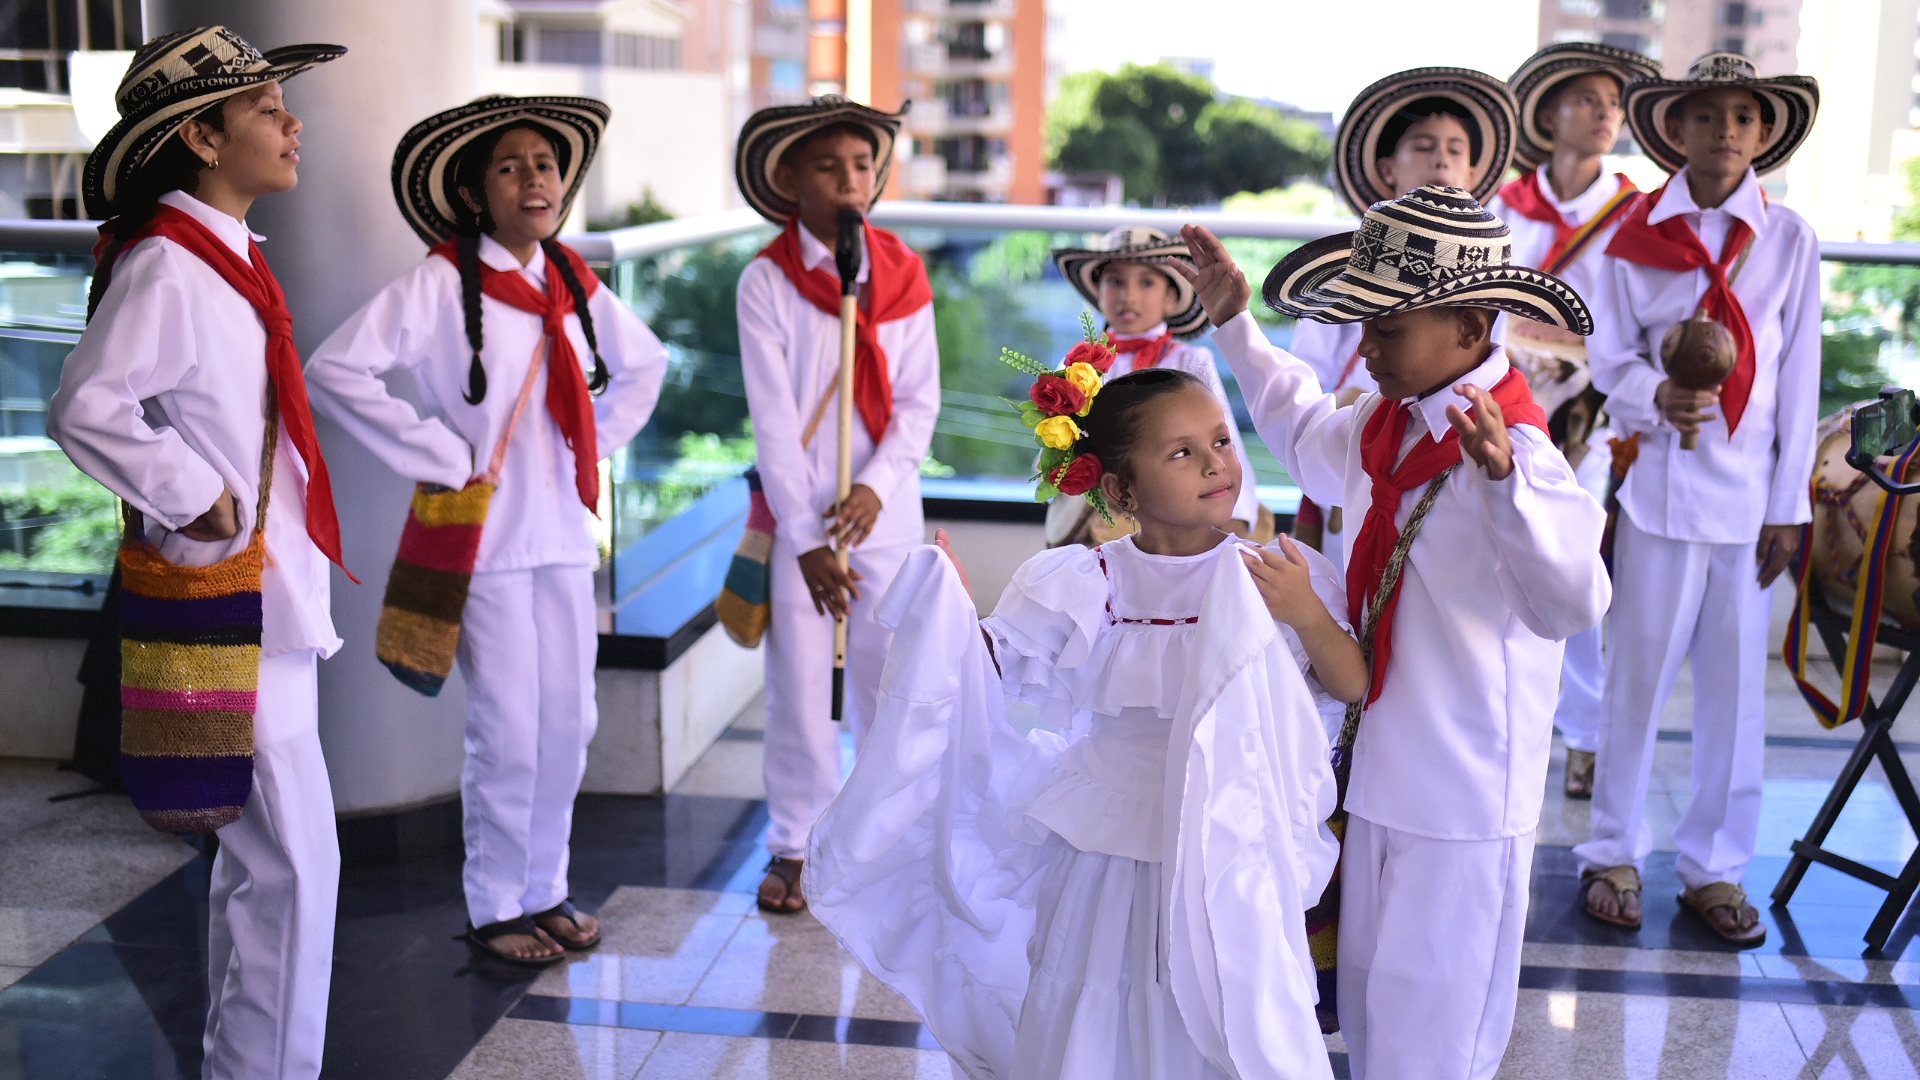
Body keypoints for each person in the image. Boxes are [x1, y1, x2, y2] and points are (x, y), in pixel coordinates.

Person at [805, 339, 1361, 1079]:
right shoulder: (1085, 580)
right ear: (1122, 492)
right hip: (1109, 838)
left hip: (1225, 834)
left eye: (1221, 441)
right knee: (1103, 990)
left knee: (1223, 992)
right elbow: (992, 667)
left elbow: (1349, 683)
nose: (1216, 463)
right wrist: (952, 610)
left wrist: (1309, 618)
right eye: (1182, 454)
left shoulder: (1277, 574)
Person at [1177, 186, 1610, 1080]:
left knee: (1434, 1028)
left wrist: (1502, 490)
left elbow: (1573, 603)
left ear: (1470, 326)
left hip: (1462, 793)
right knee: (1374, 1008)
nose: (1365, 347)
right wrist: (1234, 324)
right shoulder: (1385, 421)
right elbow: (1301, 430)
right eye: (1363, 324)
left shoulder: (1519, 454)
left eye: (1388, 327)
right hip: (1377, 768)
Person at [303, 95, 667, 964]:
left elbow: (645, 366)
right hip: (486, 545)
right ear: (476, 194)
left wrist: (593, 437)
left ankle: (547, 886)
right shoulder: (440, 283)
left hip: (564, 537)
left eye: (544, 164)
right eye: (509, 166)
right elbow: (334, 370)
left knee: (569, 719)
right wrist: (441, 447)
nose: (533, 178)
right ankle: (497, 899)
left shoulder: (572, 280)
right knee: (506, 726)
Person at [48, 27, 347, 1079]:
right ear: (203, 136)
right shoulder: (173, 266)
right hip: (226, 595)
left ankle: (249, 1065)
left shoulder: (224, 262)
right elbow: (86, 407)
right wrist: (195, 490)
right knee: (293, 869)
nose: (291, 121)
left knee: (273, 867)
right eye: (269, 106)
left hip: (262, 596)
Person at [1574, 52, 1822, 946]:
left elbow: (1799, 377)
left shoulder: (1789, 239)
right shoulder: (1630, 236)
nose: (1725, 131)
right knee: (1634, 680)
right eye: (1706, 115)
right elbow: (1607, 360)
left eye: (1744, 118)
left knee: (1733, 693)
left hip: (1750, 499)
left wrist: (1789, 503)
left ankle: (1715, 868)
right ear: (1674, 130)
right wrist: (1655, 394)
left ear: (1763, 135)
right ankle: (1611, 850)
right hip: (1659, 489)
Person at [733, 96, 940, 914]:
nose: (851, 180)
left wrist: (874, 488)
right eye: (829, 166)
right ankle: (797, 842)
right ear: (789, 178)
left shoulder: (904, 271)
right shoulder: (767, 281)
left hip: (884, 513)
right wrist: (807, 533)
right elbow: (773, 421)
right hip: (804, 524)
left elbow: (920, 401)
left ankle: (885, 837)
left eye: (862, 164)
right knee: (802, 685)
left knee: (889, 681)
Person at [1497, 42, 1660, 798]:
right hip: (1502, 400)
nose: (1604, 115)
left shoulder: (1635, 211)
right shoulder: (1503, 204)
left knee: (1576, 558)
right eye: (1588, 100)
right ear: (1550, 113)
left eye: (1613, 103)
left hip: (1591, 414)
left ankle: (1586, 735)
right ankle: (1511, 720)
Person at [1292, 67, 1516, 563]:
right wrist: (1352, 405)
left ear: (1474, 175)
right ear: (1388, 168)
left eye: (1456, 149)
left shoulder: (1492, 276)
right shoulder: (1349, 271)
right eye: (1423, 145)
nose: (1441, 157)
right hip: (1359, 450)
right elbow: (1307, 377)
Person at [1046, 226, 1265, 545]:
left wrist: (1237, 516)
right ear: (1099, 291)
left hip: (1182, 507)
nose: (1128, 296)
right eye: (1115, 281)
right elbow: (1054, 443)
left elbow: (1223, 433)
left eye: (1146, 282)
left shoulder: (1191, 361)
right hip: (1105, 512)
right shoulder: (1078, 367)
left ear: (1171, 297)